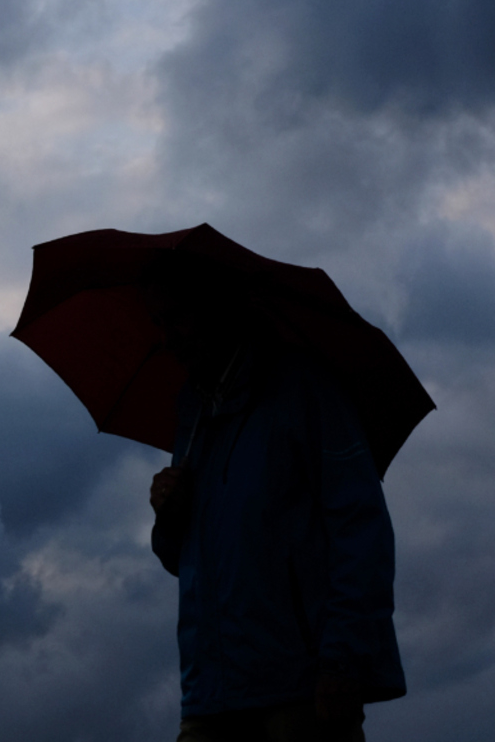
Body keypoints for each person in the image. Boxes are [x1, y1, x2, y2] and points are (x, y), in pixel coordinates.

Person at [145, 259, 406, 742]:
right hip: (210, 693)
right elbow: (189, 558)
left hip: (303, 690)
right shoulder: (194, 411)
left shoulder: (306, 389)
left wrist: (342, 661)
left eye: (177, 317)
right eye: (159, 322)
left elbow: (361, 531)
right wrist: (169, 517)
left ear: (219, 310)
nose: (167, 336)